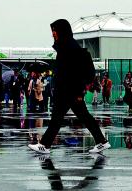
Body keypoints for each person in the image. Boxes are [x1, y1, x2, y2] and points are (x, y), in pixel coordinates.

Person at [28, 19, 110, 155]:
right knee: (82, 117)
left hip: (69, 91)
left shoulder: (69, 48)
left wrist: (79, 91)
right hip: (68, 91)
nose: (53, 34)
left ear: (61, 31)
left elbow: (75, 73)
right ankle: (101, 141)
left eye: (54, 31)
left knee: (58, 118)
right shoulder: (66, 46)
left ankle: (45, 145)